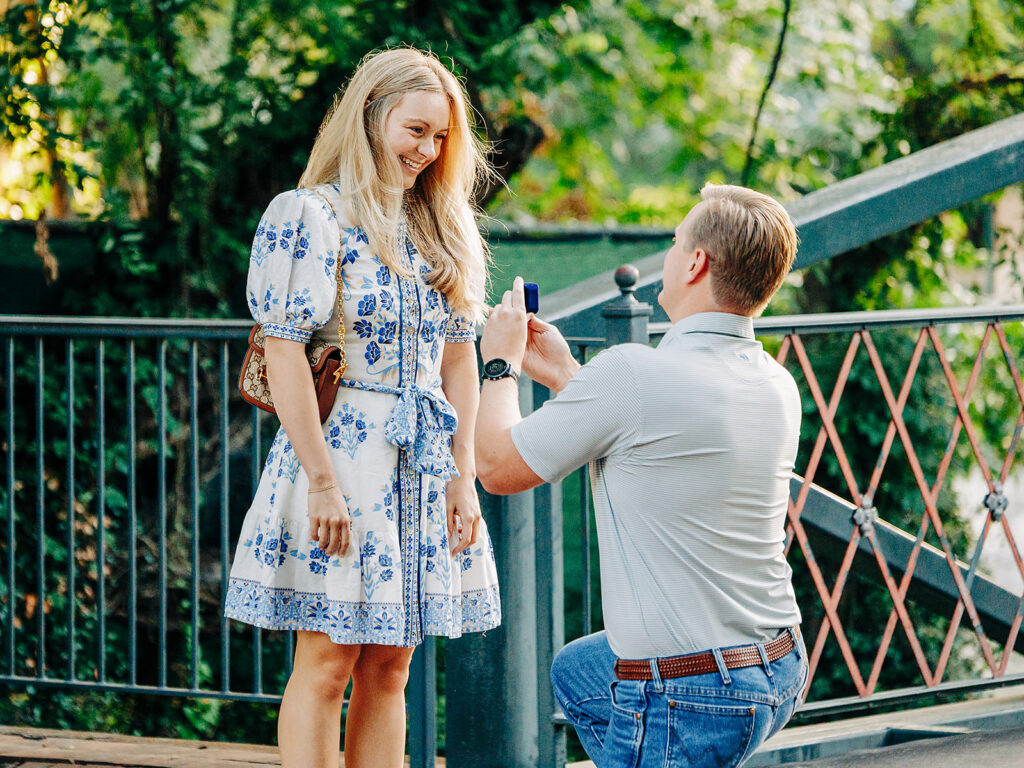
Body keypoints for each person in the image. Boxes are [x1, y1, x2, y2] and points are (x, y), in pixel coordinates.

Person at [224, 48, 501, 768]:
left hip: (421, 464)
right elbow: (283, 349)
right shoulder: (311, 215)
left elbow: (459, 359)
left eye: (441, 138)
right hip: (341, 457)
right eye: (416, 130)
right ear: (371, 115)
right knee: (327, 661)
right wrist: (321, 480)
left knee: (392, 666)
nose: (428, 151)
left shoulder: (441, 224)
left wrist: (461, 474)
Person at [475, 183, 807, 768]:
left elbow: (498, 468)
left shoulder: (633, 374)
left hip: (693, 688)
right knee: (578, 674)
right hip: (778, 660)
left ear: (697, 262)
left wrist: (499, 362)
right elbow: (654, 438)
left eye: (677, 242)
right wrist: (567, 377)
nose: (671, 254)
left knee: (627, 695)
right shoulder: (776, 383)